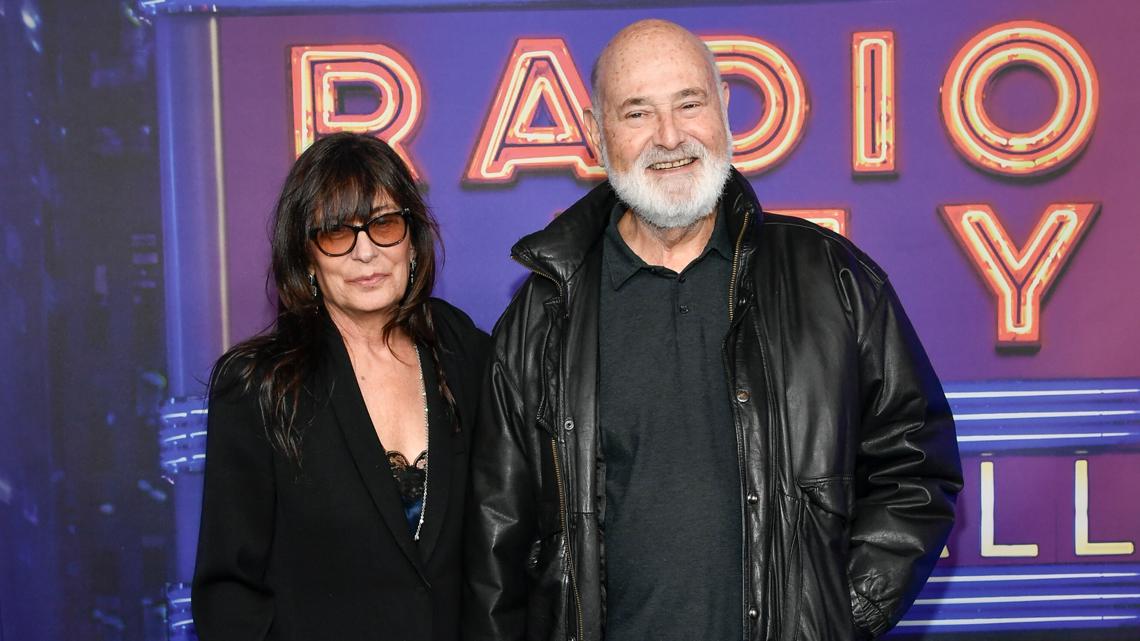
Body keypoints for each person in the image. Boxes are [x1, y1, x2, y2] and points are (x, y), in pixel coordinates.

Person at [463, 19, 962, 641]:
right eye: (637, 113)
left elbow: (917, 467)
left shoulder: (828, 276)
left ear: (724, 108)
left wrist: (841, 616)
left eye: (689, 104)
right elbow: (498, 538)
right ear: (595, 133)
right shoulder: (543, 314)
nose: (670, 136)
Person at [192, 132, 489, 641]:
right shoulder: (259, 387)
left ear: (412, 239)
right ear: (307, 256)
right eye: (335, 233)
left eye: (384, 224)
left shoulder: (464, 354)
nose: (365, 252)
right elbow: (229, 595)